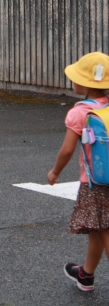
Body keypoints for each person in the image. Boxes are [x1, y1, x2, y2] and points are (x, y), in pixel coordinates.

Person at [47, 52, 109, 292]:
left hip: (95, 183)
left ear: (84, 84)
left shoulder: (79, 112)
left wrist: (54, 173)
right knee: (97, 227)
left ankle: (86, 274)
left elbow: (66, 150)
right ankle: (86, 275)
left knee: (104, 228)